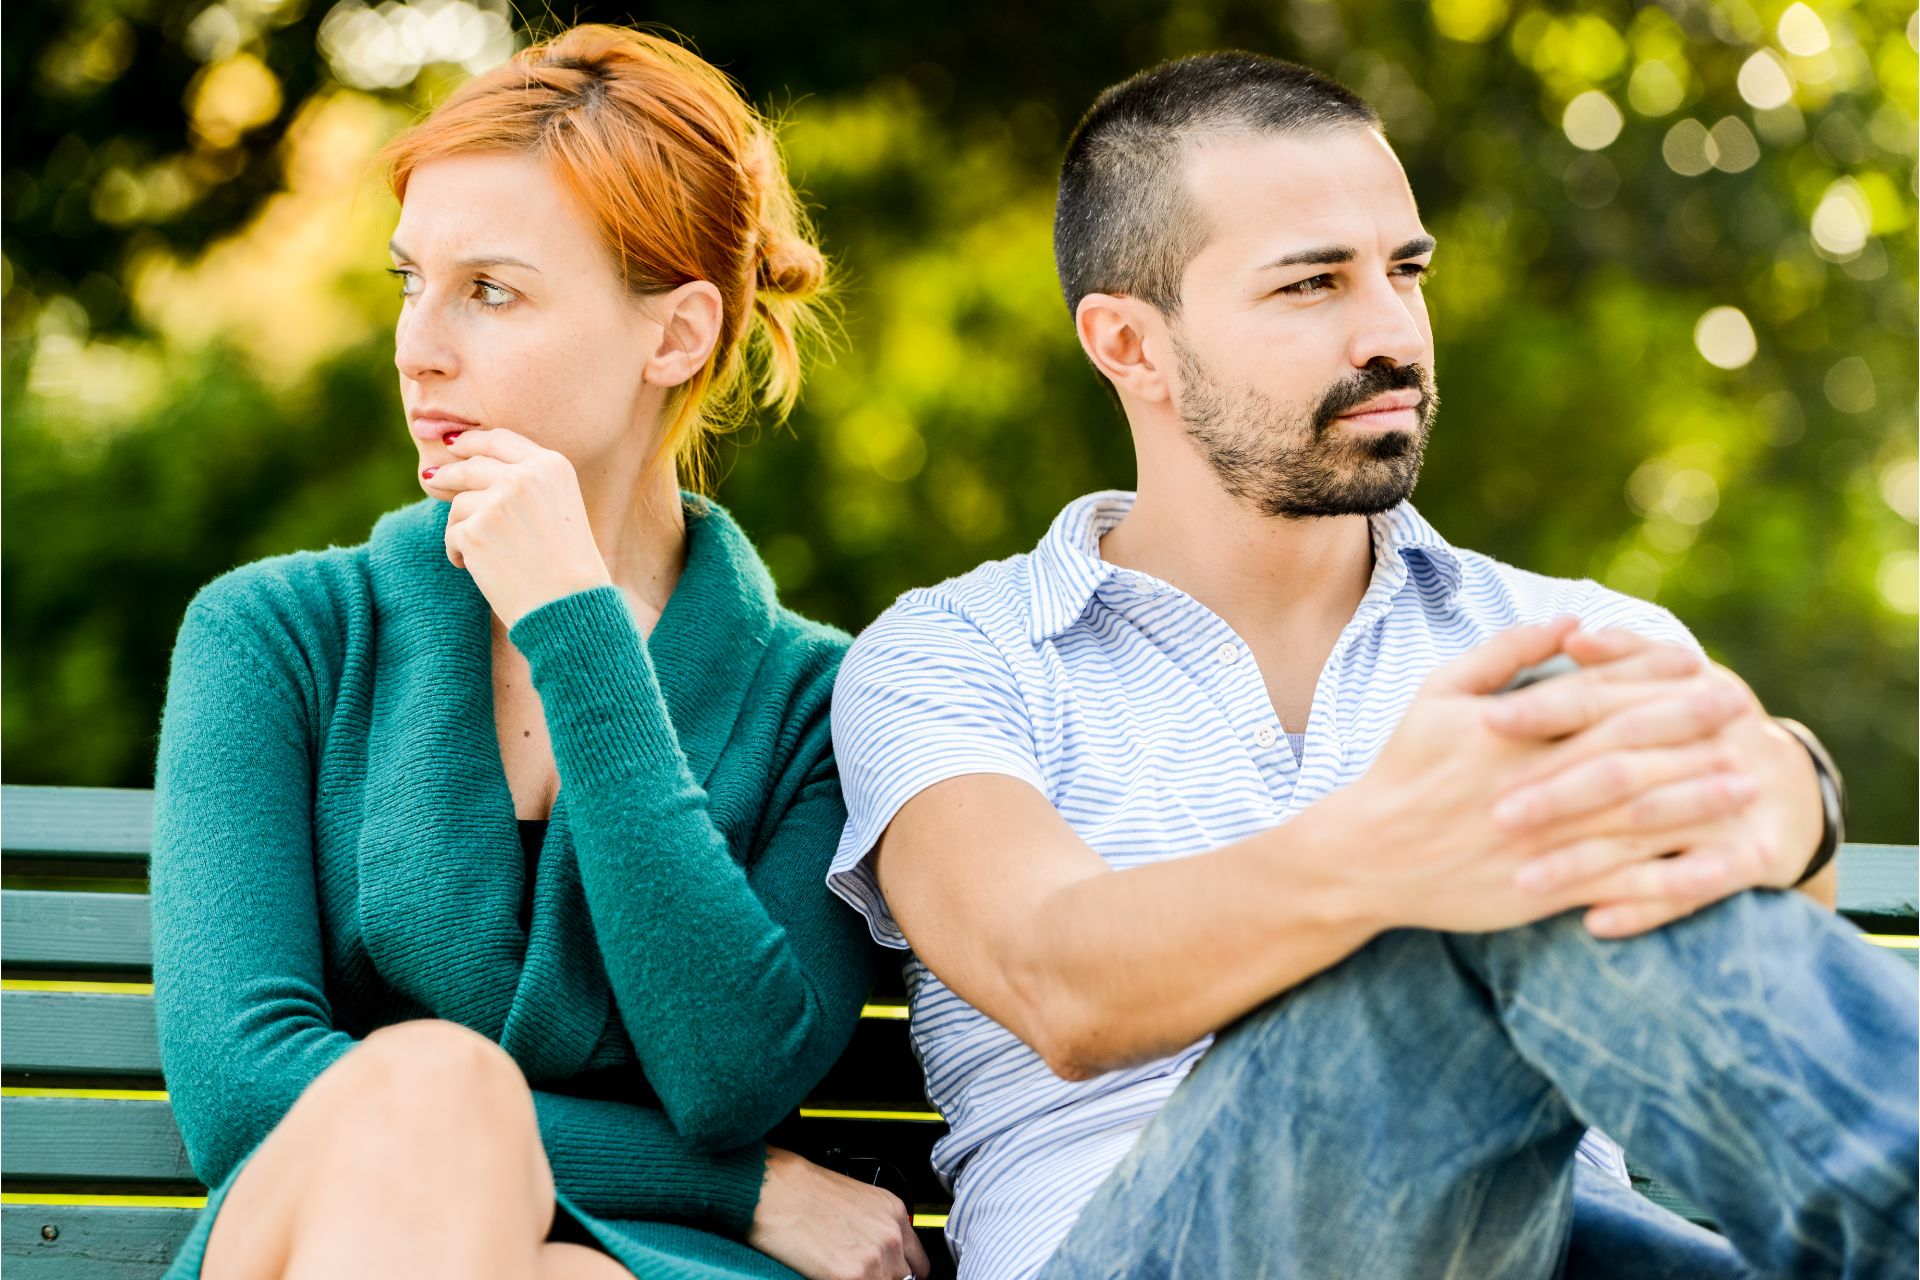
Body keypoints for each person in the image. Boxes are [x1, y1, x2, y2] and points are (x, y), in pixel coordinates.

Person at [826, 52, 1918, 1279]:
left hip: (1550, 1245)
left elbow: (1759, 967)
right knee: (1530, 786)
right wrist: (1401, 846)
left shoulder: (1569, 628)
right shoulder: (953, 651)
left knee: (1546, 749)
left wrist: (1791, 802)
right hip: (1152, 1250)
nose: (1390, 330)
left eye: (1406, 271)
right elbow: (1056, 977)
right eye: (1312, 284)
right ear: (1131, 343)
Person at [149, 25, 931, 1280]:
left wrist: (581, 636)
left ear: (674, 336)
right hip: (319, 1239)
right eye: (412, 281)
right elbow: (243, 1085)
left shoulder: (822, 703)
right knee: (442, 1091)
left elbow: (732, 1070)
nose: (418, 347)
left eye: (491, 291)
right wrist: (723, 1187)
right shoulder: (276, 636)